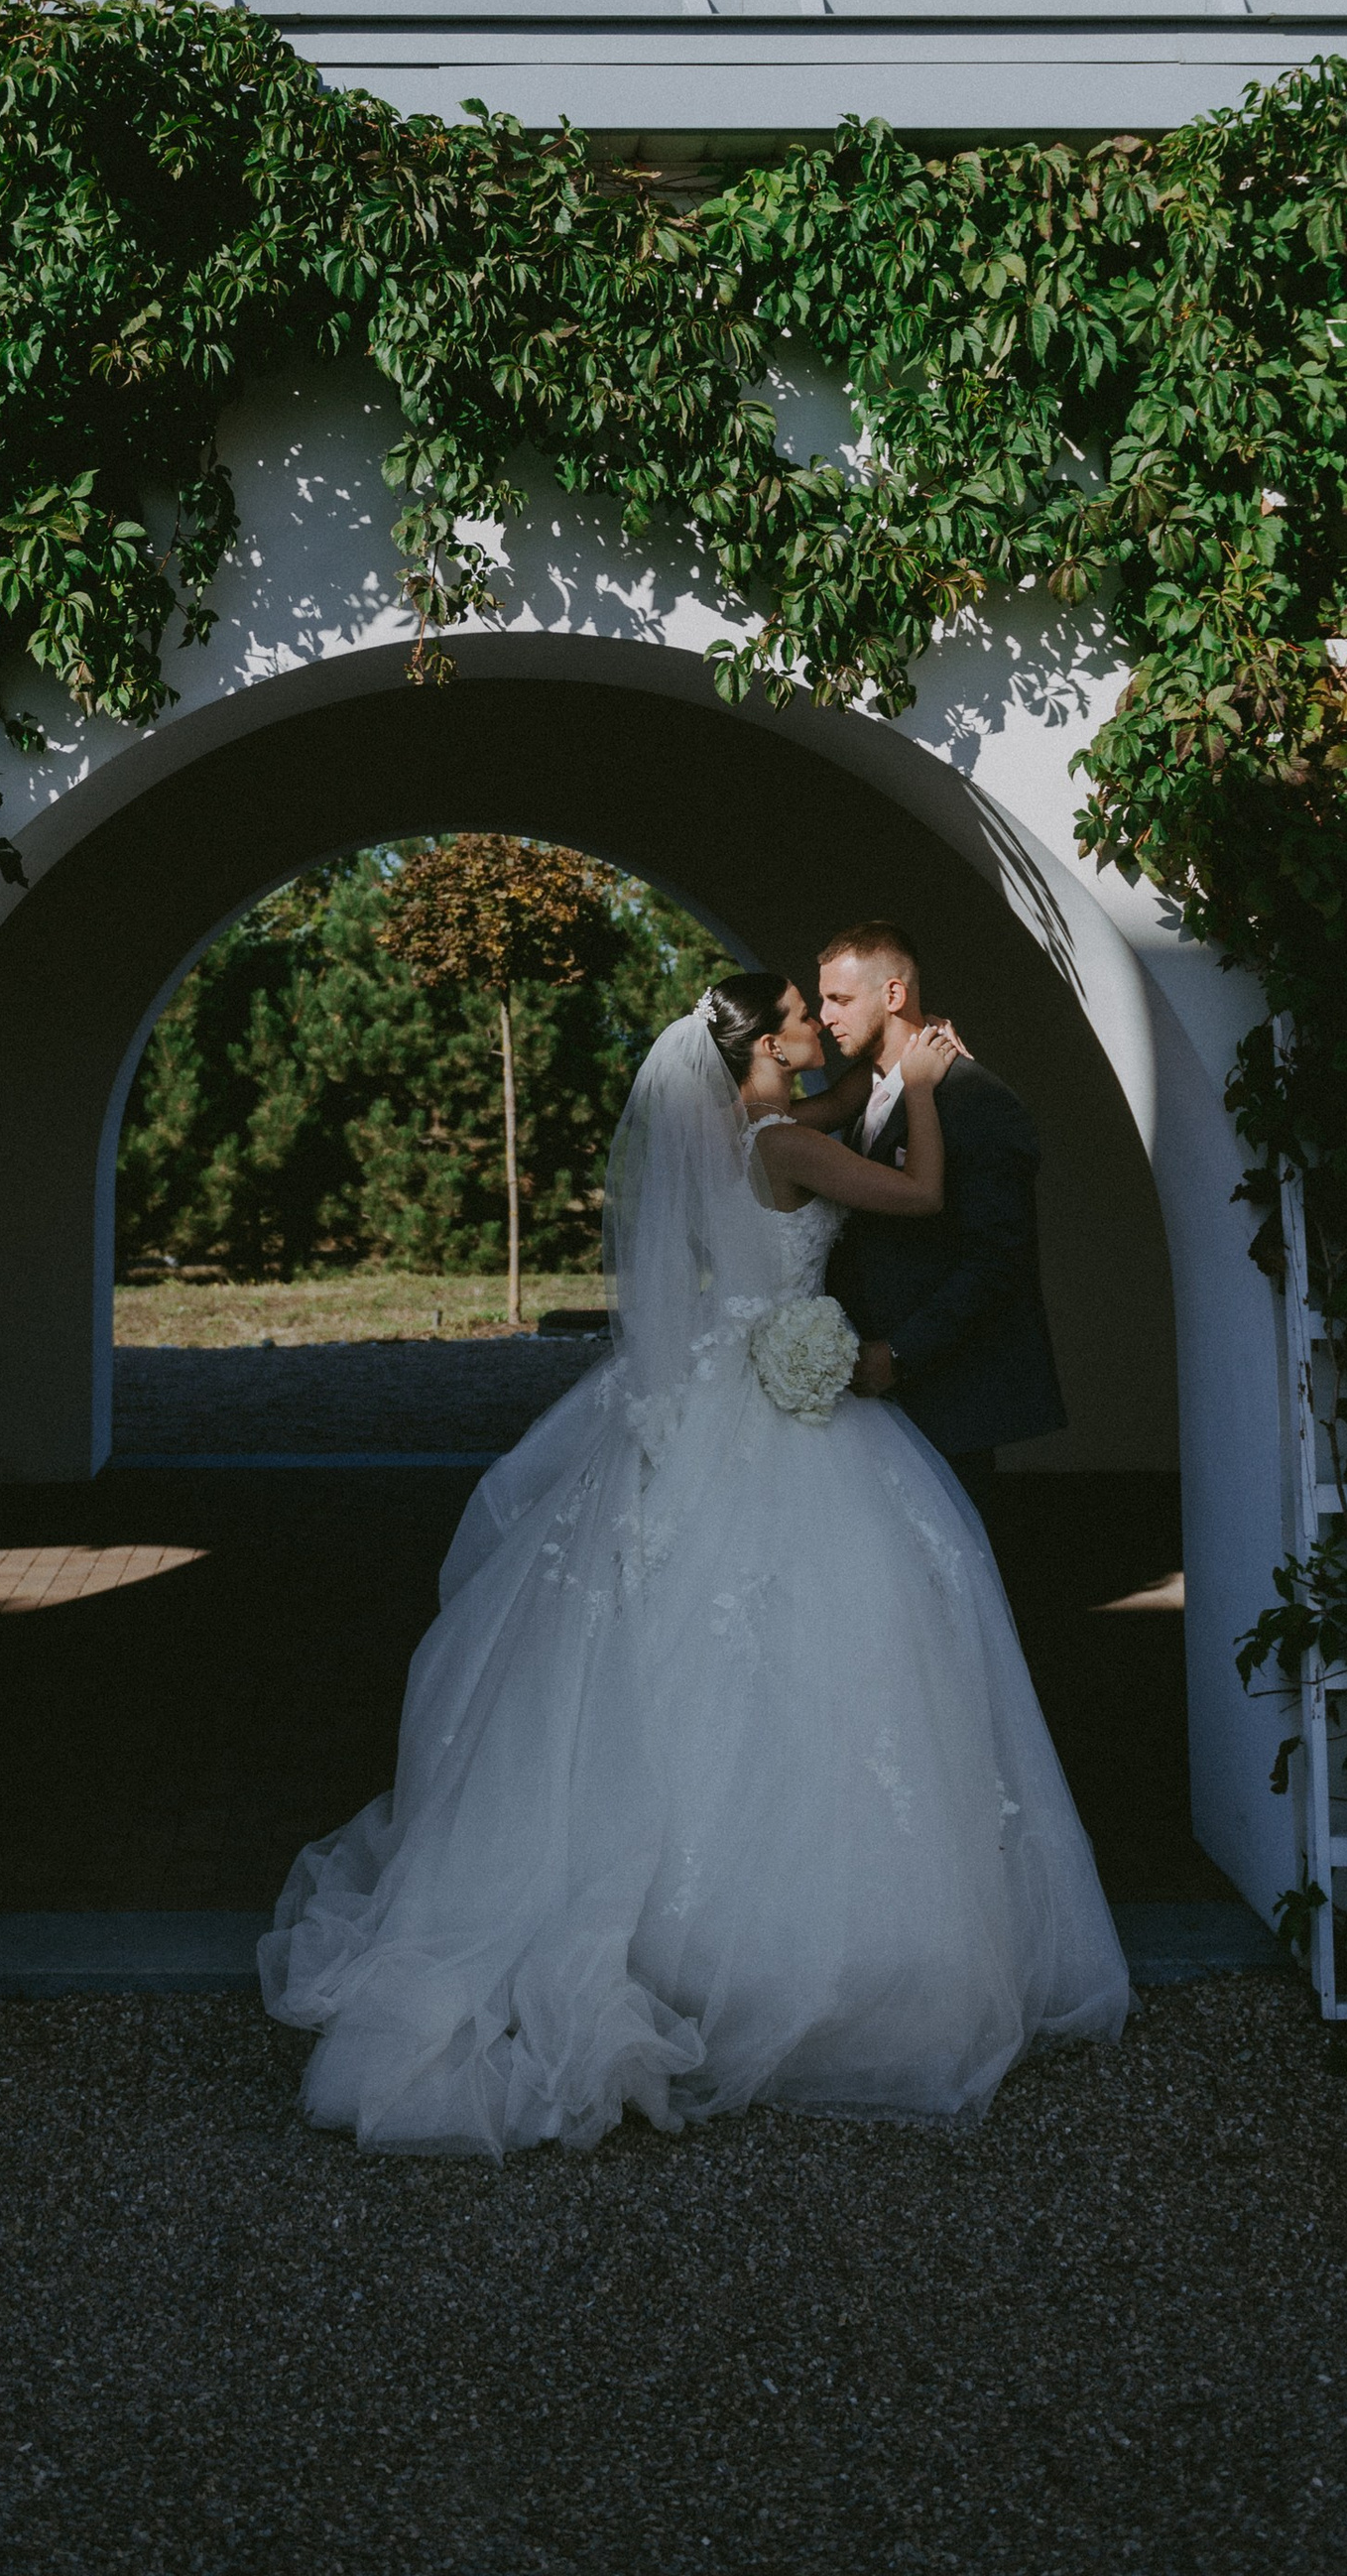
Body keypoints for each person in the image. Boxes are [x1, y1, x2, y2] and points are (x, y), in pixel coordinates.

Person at [259, 970, 1128, 2156]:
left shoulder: (729, 1130)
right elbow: (921, 1193)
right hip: (782, 1397)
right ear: (760, 1047)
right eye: (798, 1014)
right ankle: (782, 1949)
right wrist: (924, 1084)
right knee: (823, 1642)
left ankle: (689, 1929)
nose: (815, 1023)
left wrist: (876, 1075)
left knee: (678, 1646)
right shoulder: (788, 1144)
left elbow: (822, 1108)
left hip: (713, 1383)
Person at [817, 920, 1067, 1512]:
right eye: (822, 1001)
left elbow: (997, 1259)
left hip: (944, 1394)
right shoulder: (863, 1090)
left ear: (893, 994)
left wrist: (899, 1354)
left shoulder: (977, 1101)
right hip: (865, 1393)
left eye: (840, 999)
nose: (826, 1017)